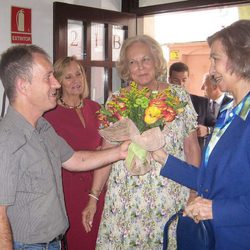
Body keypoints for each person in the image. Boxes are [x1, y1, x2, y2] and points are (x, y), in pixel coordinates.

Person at [0, 44, 129, 250]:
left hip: (54, 243)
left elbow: (76, 160)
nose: (56, 84)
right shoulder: (6, 139)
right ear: (23, 85)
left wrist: (119, 151)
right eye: (48, 77)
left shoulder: (43, 127)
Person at [82, 34, 201, 249]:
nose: (140, 67)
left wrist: (194, 192)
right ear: (126, 68)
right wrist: (93, 196)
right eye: (132, 62)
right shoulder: (116, 100)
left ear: (156, 61)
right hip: (125, 202)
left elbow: (192, 147)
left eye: (145, 59)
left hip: (169, 197)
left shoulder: (179, 97)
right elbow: (106, 150)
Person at [152, 20, 250, 250]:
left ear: (240, 58)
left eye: (216, 58)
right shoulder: (229, 110)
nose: (211, 68)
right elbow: (211, 181)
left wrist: (214, 209)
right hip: (213, 237)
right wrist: (163, 158)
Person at [44, 56, 105, 250]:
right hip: (69, 189)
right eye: (68, 76)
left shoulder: (96, 108)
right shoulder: (49, 115)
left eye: (78, 74)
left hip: (99, 187)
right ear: (58, 81)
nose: (76, 80)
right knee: (81, 240)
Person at [169, 62, 215, 150]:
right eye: (176, 80)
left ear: (188, 79)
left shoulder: (202, 103)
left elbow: (218, 128)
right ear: (169, 80)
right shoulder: (160, 104)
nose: (180, 84)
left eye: (184, 80)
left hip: (196, 157)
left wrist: (207, 130)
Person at [197, 73, 232, 139]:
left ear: (215, 87)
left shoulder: (232, 104)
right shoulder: (202, 104)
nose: (201, 88)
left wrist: (208, 130)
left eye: (204, 85)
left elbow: (229, 129)